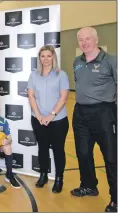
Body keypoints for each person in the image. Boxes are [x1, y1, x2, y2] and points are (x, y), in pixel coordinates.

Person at [72, 27, 117, 212]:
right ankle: (89, 185)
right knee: (83, 153)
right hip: (80, 113)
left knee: (112, 157)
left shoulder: (111, 60)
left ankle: (116, 199)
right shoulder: (77, 61)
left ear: (96, 39)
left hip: (104, 113)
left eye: (88, 38)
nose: (85, 42)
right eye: (81, 39)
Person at [27, 45, 70, 193]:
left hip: (58, 120)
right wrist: (38, 115)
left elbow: (63, 97)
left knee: (58, 150)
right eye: (43, 56)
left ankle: (59, 179)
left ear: (53, 57)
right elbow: (31, 96)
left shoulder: (61, 75)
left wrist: (51, 115)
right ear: (39, 58)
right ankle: (43, 175)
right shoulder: (33, 75)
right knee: (42, 148)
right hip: (38, 119)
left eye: (49, 56)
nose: (46, 59)